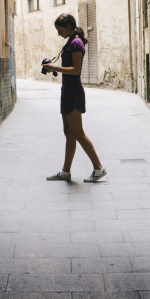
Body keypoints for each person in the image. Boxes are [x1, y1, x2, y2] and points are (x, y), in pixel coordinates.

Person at [42, 14, 106, 183]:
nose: (58, 34)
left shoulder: (76, 42)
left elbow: (77, 70)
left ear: (69, 26)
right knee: (69, 133)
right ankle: (65, 171)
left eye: (60, 30)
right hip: (67, 92)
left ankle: (98, 168)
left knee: (78, 132)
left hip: (74, 92)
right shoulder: (71, 40)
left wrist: (54, 67)